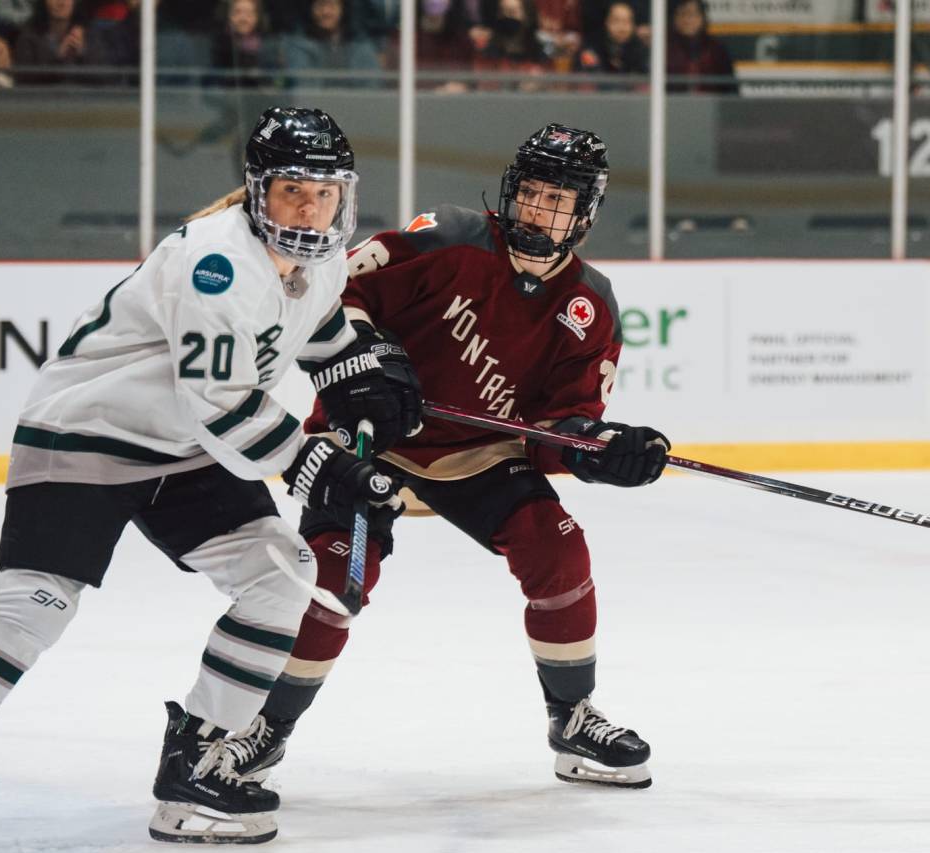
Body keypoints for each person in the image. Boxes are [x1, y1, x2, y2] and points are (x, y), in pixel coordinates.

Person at [0, 106, 418, 853]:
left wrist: (363, 368)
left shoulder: (323, 257)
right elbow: (221, 406)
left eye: (324, 194)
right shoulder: (217, 261)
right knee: (35, 605)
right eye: (292, 191)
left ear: (346, 196)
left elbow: (319, 329)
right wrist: (321, 465)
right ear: (256, 191)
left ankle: (194, 766)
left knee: (281, 577)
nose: (309, 209)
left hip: (182, 449)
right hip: (88, 433)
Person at [228, 124, 670, 792]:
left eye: (557, 201)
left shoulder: (590, 305)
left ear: (585, 214)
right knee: (335, 580)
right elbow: (335, 294)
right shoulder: (449, 238)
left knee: (559, 551)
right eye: (531, 194)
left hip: (478, 453)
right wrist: (372, 358)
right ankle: (264, 729)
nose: (538, 211)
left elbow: (557, 428)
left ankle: (572, 717)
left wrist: (596, 452)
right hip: (370, 434)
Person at [667, 0, 734, 94]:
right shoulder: (664, 49)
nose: (686, 20)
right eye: (681, 14)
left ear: (702, 17)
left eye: (691, 14)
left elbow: (730, 88)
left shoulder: (717, 49)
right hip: (673, 106)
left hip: (712, 105)